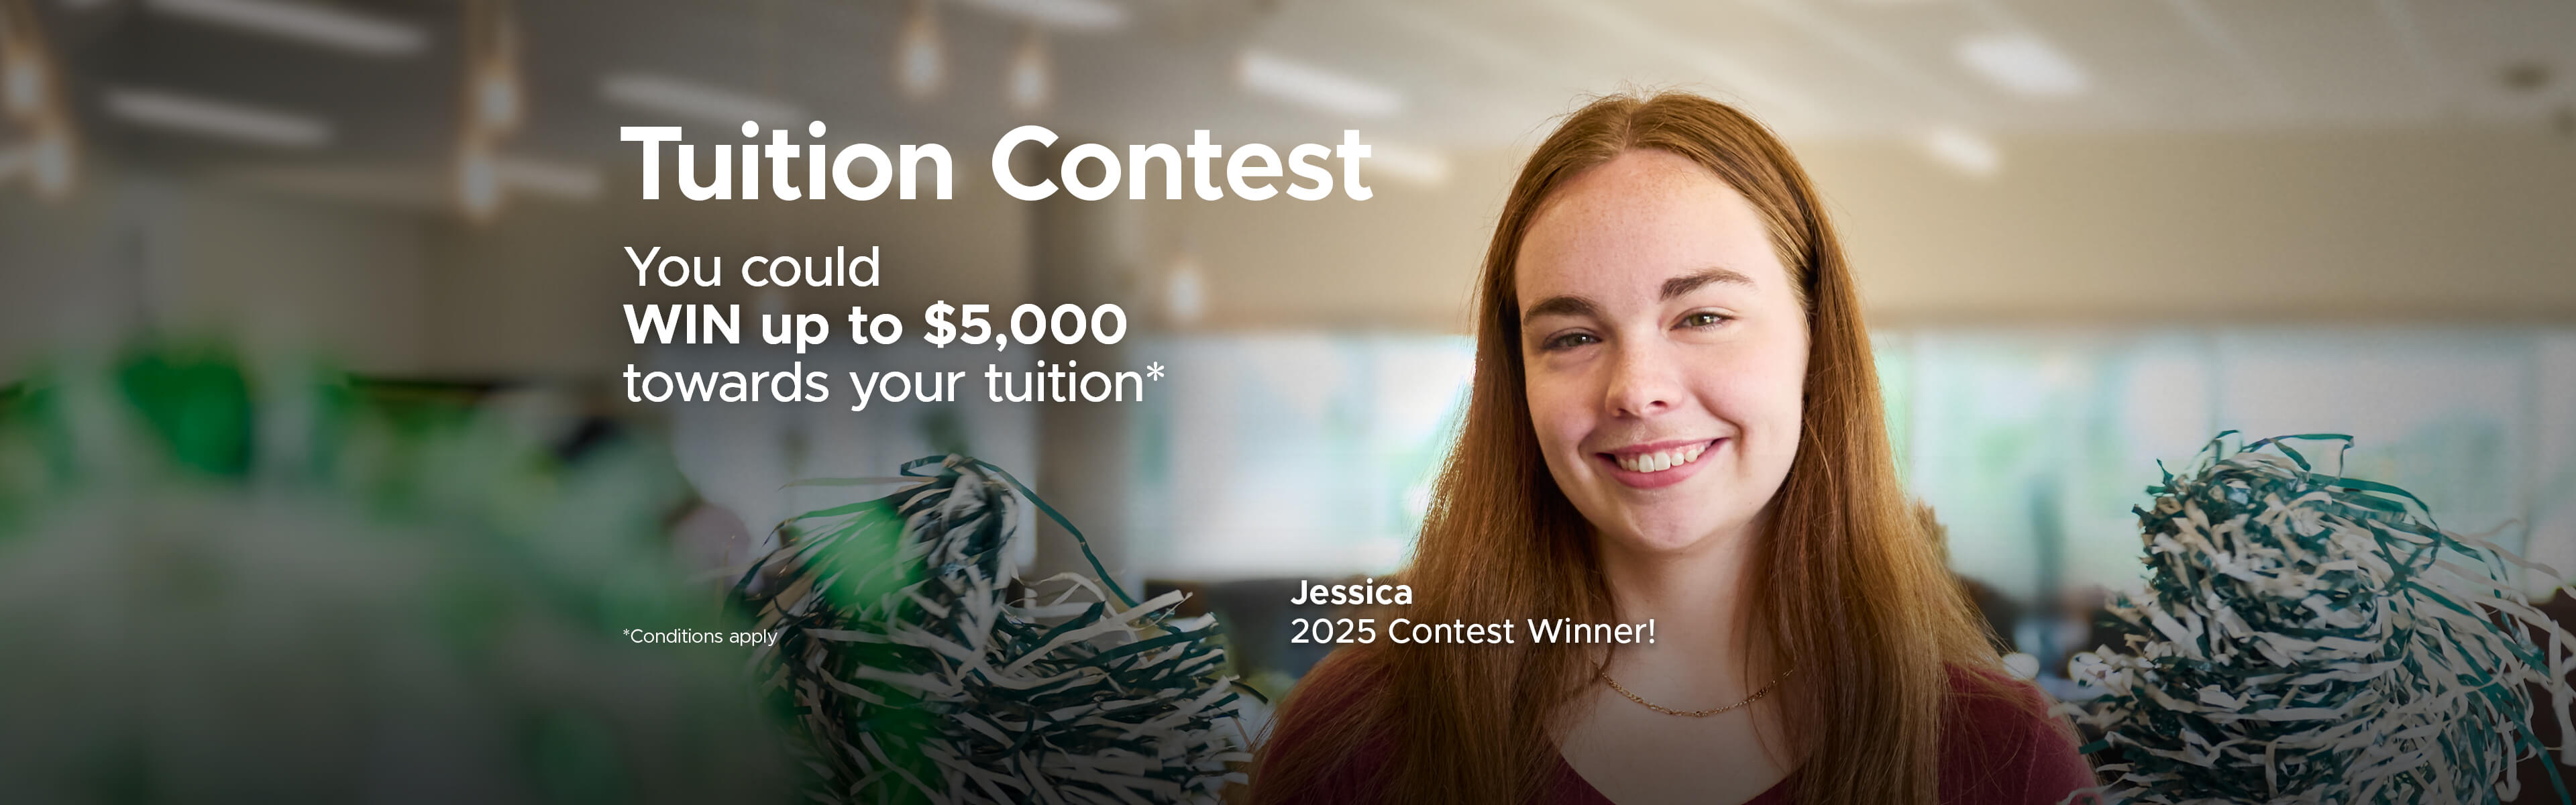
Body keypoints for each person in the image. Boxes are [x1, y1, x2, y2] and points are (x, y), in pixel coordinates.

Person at [1246, 92, 2096, 804]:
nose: (1636, 388)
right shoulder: (1355, 741)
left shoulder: (2005, 760)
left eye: (1702, 317)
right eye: (1573, 337)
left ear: (1815, 342)